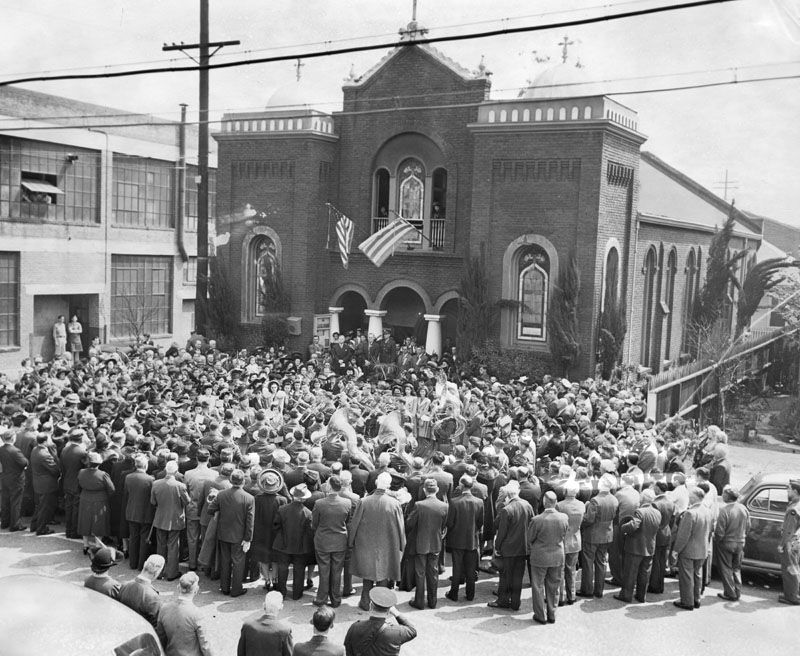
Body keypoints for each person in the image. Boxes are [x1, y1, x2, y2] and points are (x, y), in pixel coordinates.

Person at [349, 471, 406, 612]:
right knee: (383, 576)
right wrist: (402, 545)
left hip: (366, 543)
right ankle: (381, 604)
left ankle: (365, 601)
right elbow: (401, 526)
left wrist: (351, 542)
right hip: (387, 544)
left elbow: (354, 524)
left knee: (368, 575)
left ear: (376, 483)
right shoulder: (395, 504)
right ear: (388, 485)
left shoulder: (363, 502)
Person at [489, 480, 534, 612]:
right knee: (518, 577)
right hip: (523, 547)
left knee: (505, 576)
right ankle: (515, 602)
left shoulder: (506, 510)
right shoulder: (527, 505)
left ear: (507, 495)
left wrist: (497, 547)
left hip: (508, 549)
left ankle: (503, 600)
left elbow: (501, 533)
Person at [209, 468, 255, 597]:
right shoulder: (249, 498)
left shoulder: (221, 494)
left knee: (225, 561)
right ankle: (236, 589)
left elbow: (210, 509)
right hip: (239, 536)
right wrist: (248, 538)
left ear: (230, 480)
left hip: (223, 533)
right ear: (243, 481)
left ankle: (224, 587)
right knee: (238, 563)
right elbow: (250, 521)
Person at [405, 478, 448, 610]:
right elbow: (444, 524)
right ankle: (432, 601)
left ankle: (419, 601)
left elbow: (409, 523)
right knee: (433, 573)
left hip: (421, 542)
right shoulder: (444, 506)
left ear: (424, 490)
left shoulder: (419, 505)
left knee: (420, 573)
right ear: (437, 490)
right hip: (435, 542)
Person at [528, 491, 569, 625]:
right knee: (554, 586)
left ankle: (541, 615)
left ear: (544, 502)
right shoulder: (564, 518)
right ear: (556, 502)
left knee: (538, 585)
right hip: (557, 555)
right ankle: (552, 613)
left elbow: (530, 538)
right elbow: (564, 534)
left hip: (540, 556)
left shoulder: (537, 520)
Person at [312, 474, 352, 608]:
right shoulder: (347, 503)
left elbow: (314, 524)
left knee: (324, 570)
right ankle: (336, 599)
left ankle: (321, 599)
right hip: (339, 541)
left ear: (329, 486)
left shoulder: (320, 503)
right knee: (336, 571)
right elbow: (347, 522)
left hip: (323, 540)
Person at [615, 488, 661, 604]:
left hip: (635, 547)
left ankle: (626, 595)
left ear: (642, 498)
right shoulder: (657, 513)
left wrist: (623, 527)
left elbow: (634, 525)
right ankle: (641, 596)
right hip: (649, 547)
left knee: (630, 572)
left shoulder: (640, 512)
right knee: (644, 573)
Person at [156, 571, 216, 656]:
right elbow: (205, 646)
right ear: (196, 590)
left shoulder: (164, 608)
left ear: (178, 588)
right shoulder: (196, 614)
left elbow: (161, 638)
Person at [578, 474, 618, 598]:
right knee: (601, 562)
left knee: (588, 562)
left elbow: (589, 519)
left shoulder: (595, 500)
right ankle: (599, 590)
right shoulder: (614, 499)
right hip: (606, 534)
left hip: (593, 535)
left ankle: (587, 589)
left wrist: (582, 517)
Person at [445, 474, 484, 602]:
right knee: (471, 568)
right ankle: (470, 594)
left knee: (457, 568)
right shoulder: (479, 502)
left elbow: (450, 523)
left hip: (457, 539)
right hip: (472, 539)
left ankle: (454, 593)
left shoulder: (455, 502)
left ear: (461, 486)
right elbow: (480, 522)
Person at [343, 587, 416, 656]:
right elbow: (412, 630)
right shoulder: (396, 632)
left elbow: (349, 649)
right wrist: (396, 613)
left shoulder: (355, 627)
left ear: (370, 606)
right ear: (389, 611)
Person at [672, 487, 712, 610]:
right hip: (702, 549)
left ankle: (687, 601)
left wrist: (675, 550)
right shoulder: (707, 511)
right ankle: (696, 599)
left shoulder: (690, 513)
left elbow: (683, 535)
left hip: (689, 550)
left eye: (690, 496)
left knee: (686, 577)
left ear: (694, 497)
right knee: (697, 575)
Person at [273, 483, 315, 600]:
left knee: (282, 569)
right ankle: (297, 594)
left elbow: (275, 526)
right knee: (299, 570)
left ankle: (281, 592)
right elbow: (310, 532)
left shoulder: (282, 509)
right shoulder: (308, 513)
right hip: (300, 546)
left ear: (293, 496)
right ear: (304, 498)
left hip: (283, 544)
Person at [151, 460, 191, 581]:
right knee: (173, 546)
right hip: (175, 519)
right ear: (176, 471)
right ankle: (171, 573)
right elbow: (187, 501)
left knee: (161, 545)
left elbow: (153, 502)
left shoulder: (156, 484)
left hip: (160, 518)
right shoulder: (180, 486)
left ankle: (159, 571)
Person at [184, 449, 218, 572]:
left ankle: (192, 564)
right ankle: (205, 563)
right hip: (207, 511)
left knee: (192, 538)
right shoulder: (214, 474)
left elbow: (185, 492)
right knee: (206, 538)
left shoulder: (188, 474)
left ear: (197, 459)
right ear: (208, 459)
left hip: (192, 508)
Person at [714, 485, 750, 601]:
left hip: (726, 543)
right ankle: (737, 591)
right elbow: (748, 526)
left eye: (724, 494)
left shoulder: (724, 510)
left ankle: (730, 593)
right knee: (736, 568)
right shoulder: (743, 508)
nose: (722, 496)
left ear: (727, 497)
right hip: (740, 542)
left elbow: (719, 531)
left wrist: (717, 541)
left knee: (726, 568)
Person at [77, 451, 115, 553]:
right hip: (100, 499)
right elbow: (111, 489)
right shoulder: (103, 475)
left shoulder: (81, 472)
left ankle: (85, 545)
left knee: (85, 521)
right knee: (99, 522)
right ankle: (98, 545)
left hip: (85, 498)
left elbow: (79, 485)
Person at [237, 590, 293, 656]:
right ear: (281, 607)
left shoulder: (247, 626)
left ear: (264, 605)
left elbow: (240, 653)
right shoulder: (284, 631)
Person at [124, 454, 155, 570]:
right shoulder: (151, 479)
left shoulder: (128, 477)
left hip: (132, 511)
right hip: (146, 513)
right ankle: (141, 564)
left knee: (133, 538)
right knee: (144, 540)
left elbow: (126, 494)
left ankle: (132, 563)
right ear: (146, 465)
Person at [555, 481, 585, 606]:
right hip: (575, 539)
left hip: (562, 540)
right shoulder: (581, 505)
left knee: (560, 570)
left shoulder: (559, 505)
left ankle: (561, 597)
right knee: (571, 570)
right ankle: (571, 595)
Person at [119, 554, 165, 627]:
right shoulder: (153, 598)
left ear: (144, 564)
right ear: (157, 572)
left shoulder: (124, 585)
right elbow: (157, 626)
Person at [29, 432, 60, 535]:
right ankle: (41, 528)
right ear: (45, 441)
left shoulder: (35, 450)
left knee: (39, 506)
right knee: (45, 508)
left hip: (38, 483)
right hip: (47, 485)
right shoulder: (45, 454)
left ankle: (34, 525)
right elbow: (55, 470)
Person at [648, 480, 675, 594]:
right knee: (662, 560)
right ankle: (659, 585)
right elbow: (672, 520)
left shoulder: (655, 503)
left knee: (655, 561)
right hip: (667, 532)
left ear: (658, 489)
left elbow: (653, 521)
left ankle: (654, 585)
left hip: (657, 533)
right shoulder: (671, 502)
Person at [60, 429, 87, 539]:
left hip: (67, 481)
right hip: (77, 483)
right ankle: (74, 531)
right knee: (76, 509)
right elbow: (85, 468)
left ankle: (68, 530)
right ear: (80, 439)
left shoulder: (64, 450)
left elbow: (62, 467)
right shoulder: (82, 452)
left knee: (69, 507)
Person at [0, 429, 28, 531]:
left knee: (5, 501)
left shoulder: (1, 449)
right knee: (16, 502)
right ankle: (15, 524)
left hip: (5, 476)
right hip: (16, 479)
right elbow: (24, 462)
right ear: (13, 438)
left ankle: (5, 522)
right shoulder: (15, 450)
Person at [778, 478, 800, 605]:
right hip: (796, 542)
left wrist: (782, 545)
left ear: (795, 492)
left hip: (790, 543)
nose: (787, 491)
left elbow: (788, 531)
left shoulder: (793, 509)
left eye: (789, 489)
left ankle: (791, 597)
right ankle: (794, 594)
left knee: (790, 570)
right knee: (795, 568)